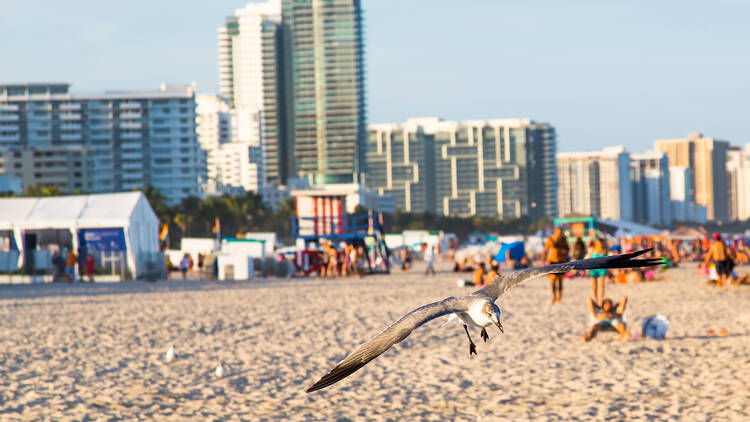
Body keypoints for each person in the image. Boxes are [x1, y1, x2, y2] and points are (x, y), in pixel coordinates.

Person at [543, 227, 570, 304]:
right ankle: (554, 297)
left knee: (561, 281)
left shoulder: (563, 240)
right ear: (555, 232)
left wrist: (565, 251)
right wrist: (543, 260)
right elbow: (545, 250)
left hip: (562, 261)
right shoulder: (550, 239)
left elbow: (568, 249)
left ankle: (559, 298)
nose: (560, 234)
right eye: (558, 232)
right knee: (553, 281)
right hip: (553, 261)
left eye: (561, 232)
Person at [588, 239, 608, 305]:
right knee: (594, 285)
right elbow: (589, 259)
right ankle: (595, 299)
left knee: (602, 285)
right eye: (598, 243)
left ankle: (601, 300)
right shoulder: (593, 250)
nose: (599, 244)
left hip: (602, 268)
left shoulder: (605, 250)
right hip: (593, 268)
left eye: (600, 243)